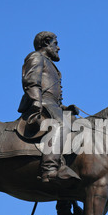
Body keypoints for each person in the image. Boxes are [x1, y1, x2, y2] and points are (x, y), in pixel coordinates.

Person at [18, 31, 79, 183]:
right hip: (42, 103)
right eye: (55, 44)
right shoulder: (36, 57)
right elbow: (31, 81)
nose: (58, 48)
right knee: (59, 125)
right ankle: (49, 169)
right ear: (46, 43)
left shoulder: (52, 65)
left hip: (52, 104)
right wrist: (36, 101)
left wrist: (65, 108)